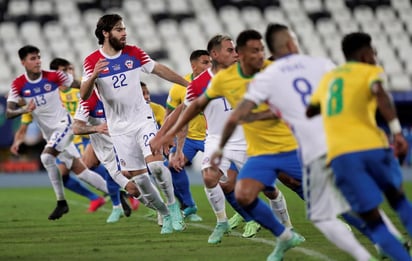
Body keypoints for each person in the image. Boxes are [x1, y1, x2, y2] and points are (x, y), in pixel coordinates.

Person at [225, 23, 377, 261]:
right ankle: (278, 230)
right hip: (251, 141)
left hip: (282, 138)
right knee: (245, 187)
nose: (235, 55)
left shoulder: (268, 70)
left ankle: (357, 225)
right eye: (231, 51)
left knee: (294, 182)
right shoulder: (225, 78)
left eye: (236, 51)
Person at [151, 30, 301, 252]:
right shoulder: (198, 84)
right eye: (230, 50)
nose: (235, 54)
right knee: (209, 177)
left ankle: (287, 227)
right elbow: (185, 111)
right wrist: (165, 135)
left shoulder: (245, 75)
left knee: (269, 190)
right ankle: (222, 222)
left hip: (247, 139)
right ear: (215, 54)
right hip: (215, 139)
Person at [307, 32, 412, 261]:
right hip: (372, 146)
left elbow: (310, 110)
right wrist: (396, 132)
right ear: (365, 55)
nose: (375, 56)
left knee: (373, 220)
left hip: (340, 156)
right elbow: (381, 95)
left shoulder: (329, 78)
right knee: (397, 199)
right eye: (373, 52)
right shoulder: (369, 71)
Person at [80, 14, 188, 234]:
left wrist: (188, 84)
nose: (124, 33)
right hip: (119, 129)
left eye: (124, 28)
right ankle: (164, 213)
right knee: (140, 182)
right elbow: (84, 94)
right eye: (119, 29)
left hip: (142, 120)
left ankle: (172, 205)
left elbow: (159, 69)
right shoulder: (92, 61)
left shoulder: (133, 52)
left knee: (157, 166)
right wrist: (93, 77)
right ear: (105, 33)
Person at [6, 45, 109, 220]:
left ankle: (62, 203)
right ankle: (121, 193)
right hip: (51, 135)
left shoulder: (54, 76)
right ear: (23, 62)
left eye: (39, 57)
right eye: (33, 58)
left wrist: (95, 78)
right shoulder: (18, 84)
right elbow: (9, 112)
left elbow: (81, 85)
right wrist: (24, 110)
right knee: (82, 172)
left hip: (65, 126)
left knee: (46, 157)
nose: (38, 61)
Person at [165, 49, 210, 221]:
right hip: (189, 138)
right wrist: (167, 136)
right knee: (172, 166)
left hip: (211, 137)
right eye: (205, 62)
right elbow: (168, 114)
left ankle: (243, 213)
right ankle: (189, 205)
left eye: (210, 62)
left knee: (227, 173)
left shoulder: (217, 83)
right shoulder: (179, 87)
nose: (209, 66)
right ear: (194, 66)